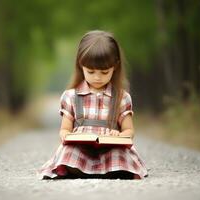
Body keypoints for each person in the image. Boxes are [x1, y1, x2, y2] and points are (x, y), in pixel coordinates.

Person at [38, 30, 148, 179]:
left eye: (104, 72)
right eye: (90, 71)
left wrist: (120, 135)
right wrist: (69, 136)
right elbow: (64, 130)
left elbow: (129, 131)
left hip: (111, 148)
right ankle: (84, 169)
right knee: (69, 153)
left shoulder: (122, 97)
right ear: (81, 64)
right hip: (81, 149)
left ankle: (110, 169)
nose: (97, 77)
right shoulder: (71, 96)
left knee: (119, 156)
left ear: (115, 66)